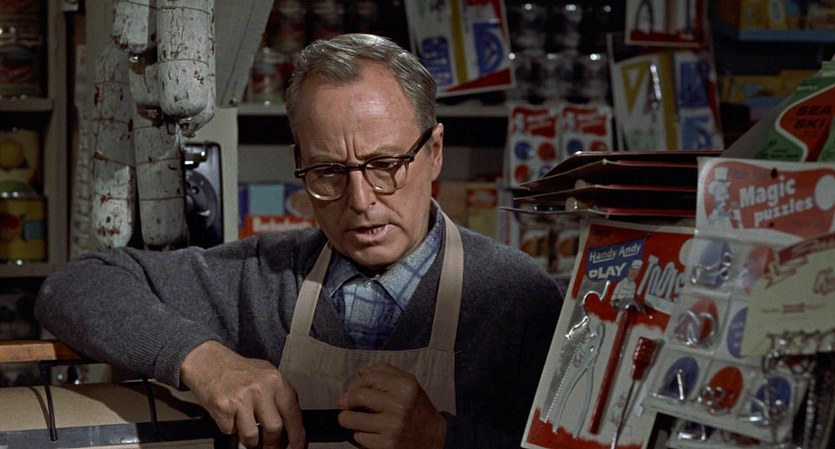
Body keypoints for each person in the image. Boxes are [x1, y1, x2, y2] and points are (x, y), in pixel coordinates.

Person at [35, 33, 562, 449]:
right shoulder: (263, 277)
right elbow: (74, 286)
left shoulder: (514, 295)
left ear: (435, 151)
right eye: (328, 172)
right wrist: (203, 359)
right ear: (300, 163)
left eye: (385, 165)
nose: (361, 200)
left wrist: (444, 438)